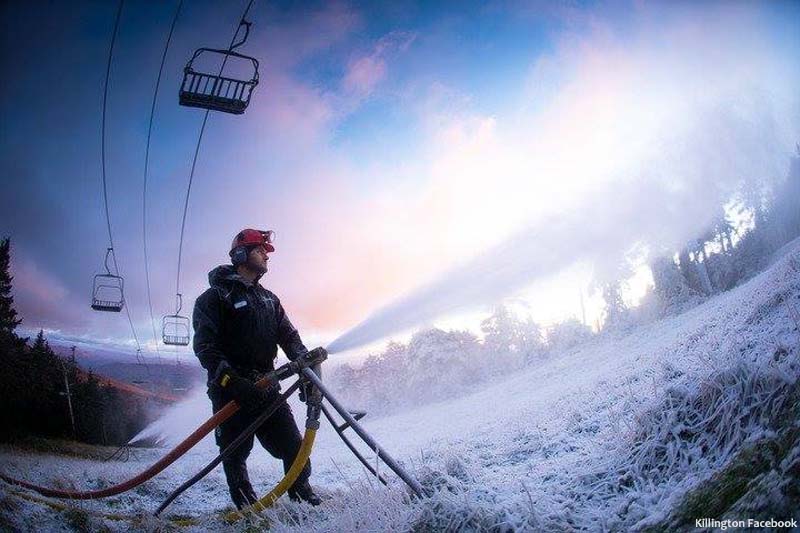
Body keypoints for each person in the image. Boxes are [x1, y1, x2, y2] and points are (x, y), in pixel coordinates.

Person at [192, 228, 322, 509]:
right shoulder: (213, 298)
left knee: (293, 446)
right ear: (241, 254)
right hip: (232, 393)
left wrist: (306, 369)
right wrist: (232, 381)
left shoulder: (269, 300)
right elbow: (206, 348)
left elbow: (289, 337)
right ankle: (247, 509)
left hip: (266, 389)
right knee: (234, 454)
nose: (266, 256)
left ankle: (301, 495)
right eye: (260, 250)